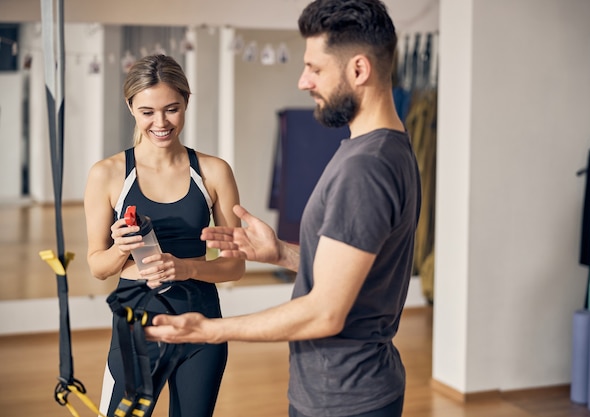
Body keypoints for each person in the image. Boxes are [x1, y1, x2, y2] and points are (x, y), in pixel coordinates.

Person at [145, 1, 421, 416]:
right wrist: (281, 254)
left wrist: (210, 329)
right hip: (354, 387)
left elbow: (325, 312)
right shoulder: (389, 147)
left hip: (343, 398)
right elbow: (356, 274)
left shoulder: (365, 168)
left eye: (315, 68)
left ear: (359, 70)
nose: (303, 81)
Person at [83, 54, 245, 417]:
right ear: (130, 108)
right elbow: (98, 267)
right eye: (147, 112)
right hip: (138, 322)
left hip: (201, 320)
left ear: (186, 102)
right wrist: (119, 249)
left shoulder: (214, 172)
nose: (160, 123)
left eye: (171, 109)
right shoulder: (107, 175)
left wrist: (185, 269)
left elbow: (235, 267)